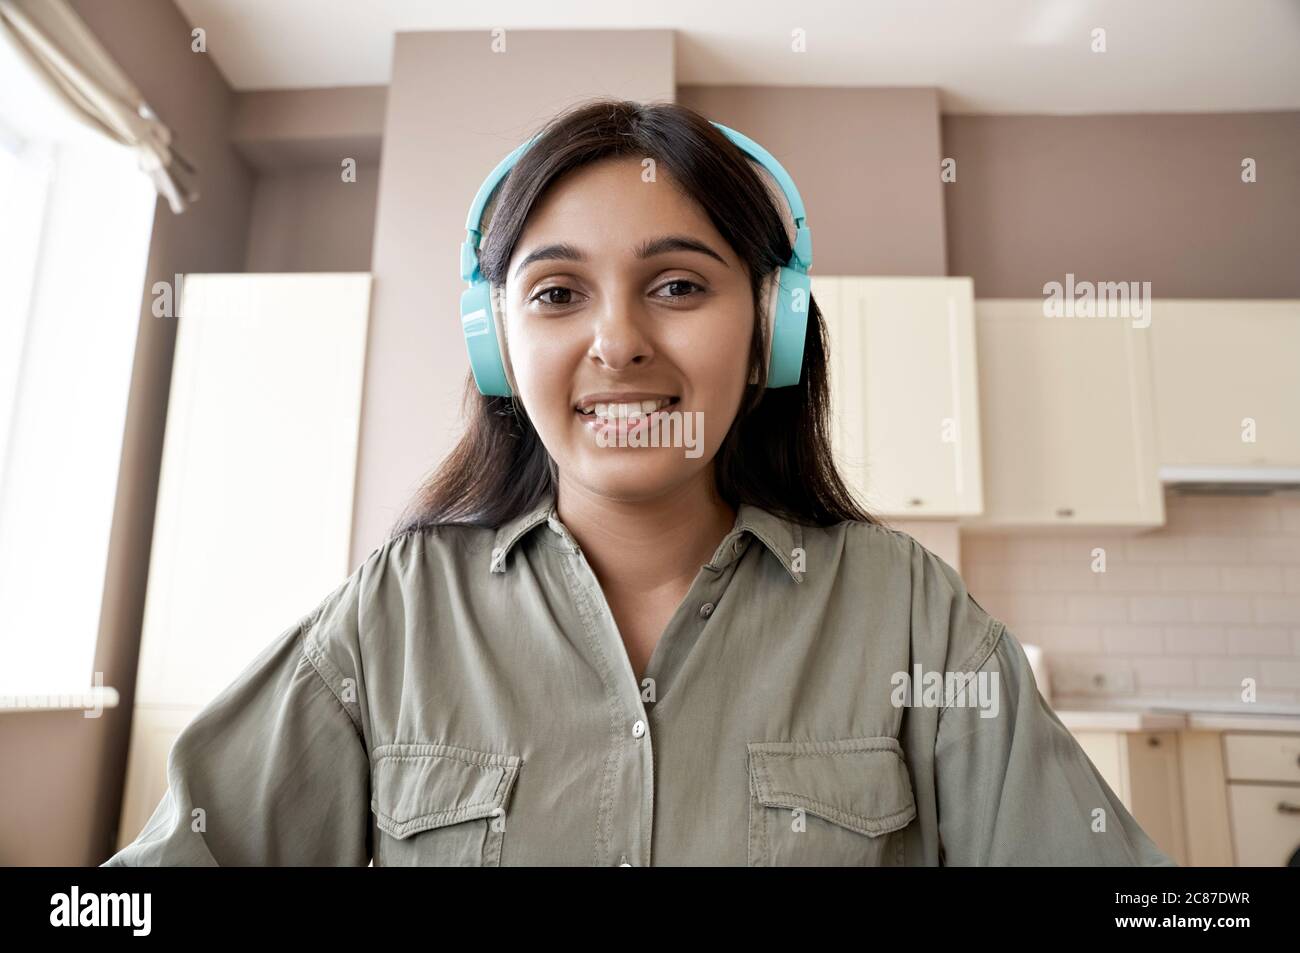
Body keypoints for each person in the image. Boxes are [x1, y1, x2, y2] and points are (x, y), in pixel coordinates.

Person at [103, 98, 1174, 866]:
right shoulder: (397, 612)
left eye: (675, 284)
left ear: (771, 335)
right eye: (559, 291)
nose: (617, 342)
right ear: (497, 349)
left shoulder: (909, 615)